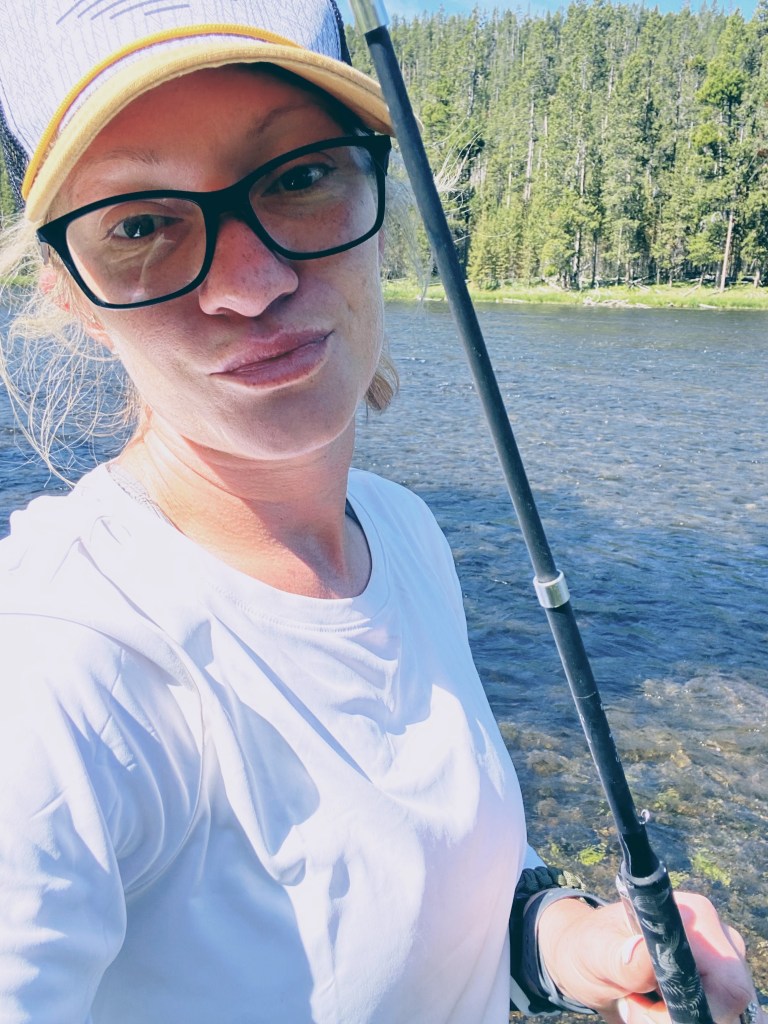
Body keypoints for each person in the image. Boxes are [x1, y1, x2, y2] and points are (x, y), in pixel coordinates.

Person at [0, 2, 762, 1023]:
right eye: (141, 225)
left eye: (298, 176)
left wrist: (564, 940)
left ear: (378, 200)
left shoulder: (399, 531)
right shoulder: (56, 667)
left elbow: (440, 888)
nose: (251, 284)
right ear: (69, 291)